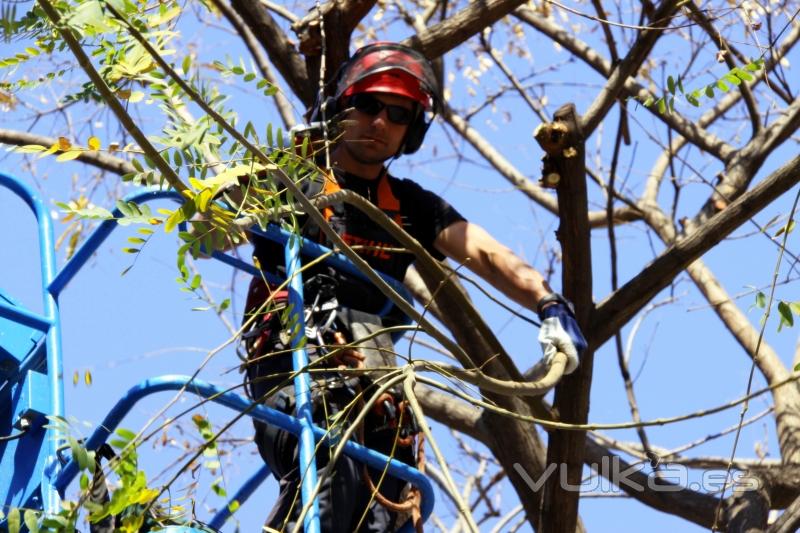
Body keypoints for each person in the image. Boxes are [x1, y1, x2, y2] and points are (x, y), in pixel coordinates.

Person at [241, 42, 587, 532]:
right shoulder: (291, 179)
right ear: (342, 108)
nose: (380, 122)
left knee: (394, 513)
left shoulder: (410, 208)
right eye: (368, 106)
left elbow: (486, 253)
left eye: (398, 114)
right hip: (292, 364)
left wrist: (548, 302)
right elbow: (220, 209)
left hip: (373, 385)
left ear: (412, 132)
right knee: (327, 471)